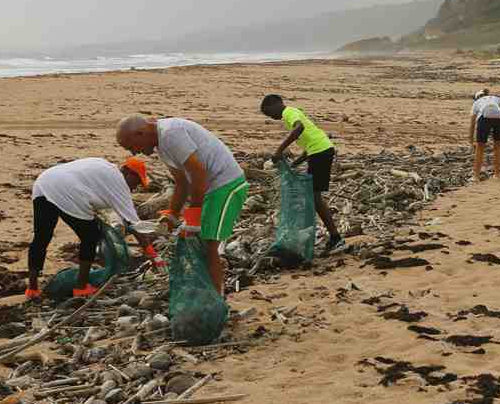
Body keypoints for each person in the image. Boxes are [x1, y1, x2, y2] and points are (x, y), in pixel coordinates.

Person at [116, 115, 248, 295]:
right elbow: (182, 183)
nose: (133, 153)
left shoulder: (171, 134)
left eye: (131, 147)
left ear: (140, 133)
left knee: (210, 243)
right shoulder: (162, 146)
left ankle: (216, 297)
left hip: (226, 185)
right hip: (212, 189)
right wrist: (172, 214)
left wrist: (193, 216)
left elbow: (198, 174)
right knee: (198, 239)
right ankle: (207, 290)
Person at [27, 156, 163, 299]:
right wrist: (152, 254)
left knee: (41, 237)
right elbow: (134, 224)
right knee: (90, 236)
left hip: (44, 182)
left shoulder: (103, 164)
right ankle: (81, 287)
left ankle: (32, 289)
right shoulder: (119, 182)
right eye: (137, 181)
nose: (136, 187)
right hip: (66, 189)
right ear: (127, 172)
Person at [260, 95, 346, 255]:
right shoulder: (292, 115)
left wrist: (279, 150)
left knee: (314, 196)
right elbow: (310, 143)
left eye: (269, 112)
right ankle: (331, 237)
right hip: (320, 151)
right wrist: (295, 163)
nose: (271, 117)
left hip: (321, 152)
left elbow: (299, 128)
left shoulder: (289, 113)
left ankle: (336, 238)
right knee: (314, 196)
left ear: (275, 104)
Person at [470, 89, 500, 181]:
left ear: (477, 97)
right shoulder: (496, 98)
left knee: (480, 148)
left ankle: (476, 177)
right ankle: (497, 175)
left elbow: (472, 123)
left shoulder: (476, 103)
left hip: (484, 118)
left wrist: (471, 139)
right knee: (497, 146)